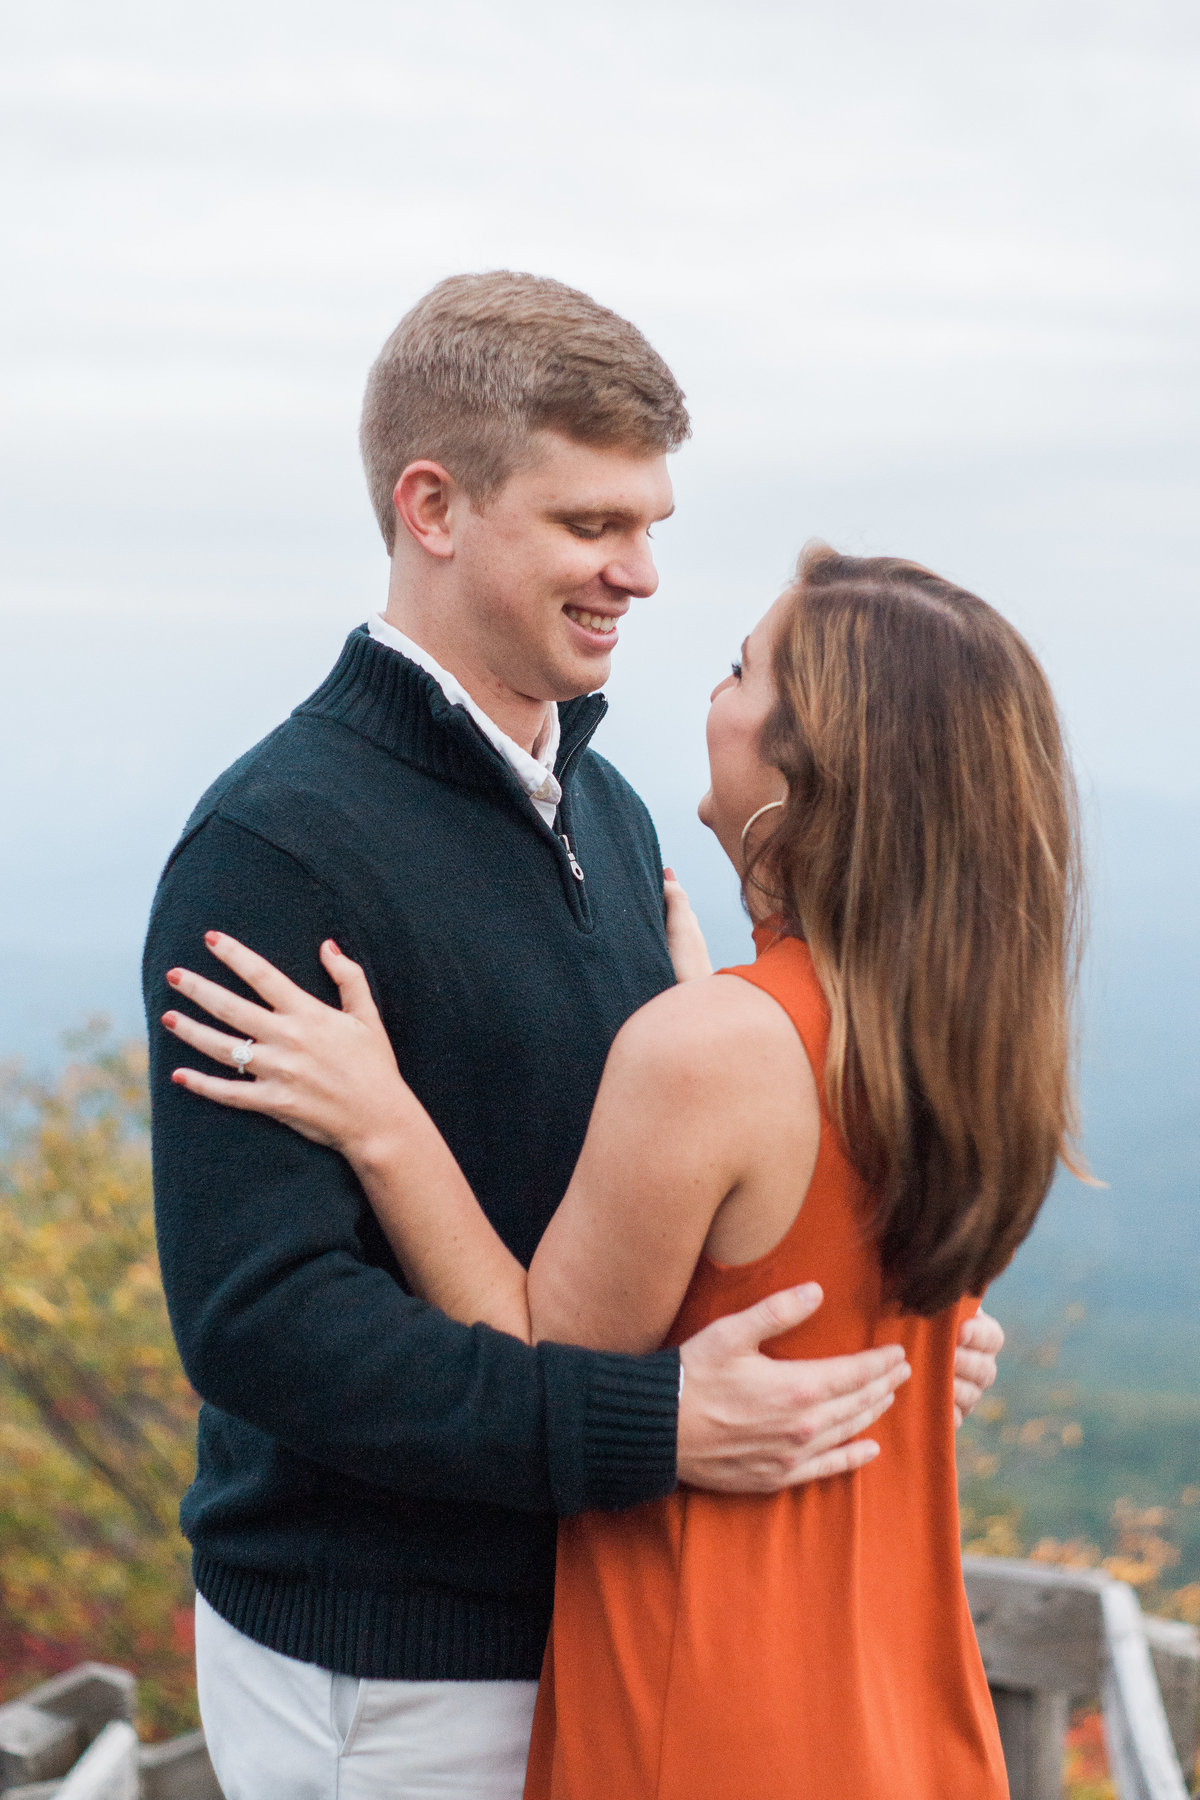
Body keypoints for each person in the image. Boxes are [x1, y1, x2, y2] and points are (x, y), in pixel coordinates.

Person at [145, 274, 1001, 1799]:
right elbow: (265, 1325)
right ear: (434, 506)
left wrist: (860, 1316)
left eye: (654, 523)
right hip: (397, 1669)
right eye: (594, 525)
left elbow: (676, 1205)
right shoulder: (276, 851)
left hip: (620, 1625)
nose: (645, 573)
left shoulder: (600, 806)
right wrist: (648, 1428)